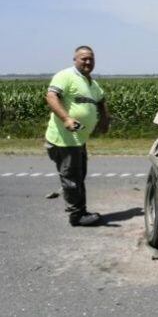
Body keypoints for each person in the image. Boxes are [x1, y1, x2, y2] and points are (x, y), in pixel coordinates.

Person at [45, 45, 110, 226]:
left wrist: (104, 120)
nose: (88, 61)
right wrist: (66, 118)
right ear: (75, 60)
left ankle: (81, 211)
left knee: (78, 176)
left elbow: (101, 100)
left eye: (91, 58)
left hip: (78, 140)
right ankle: (77, 216)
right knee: (72, 179)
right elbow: (51, 96)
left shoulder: (91, 83)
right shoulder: (66, 76)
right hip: (64, 140)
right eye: (83, 58)